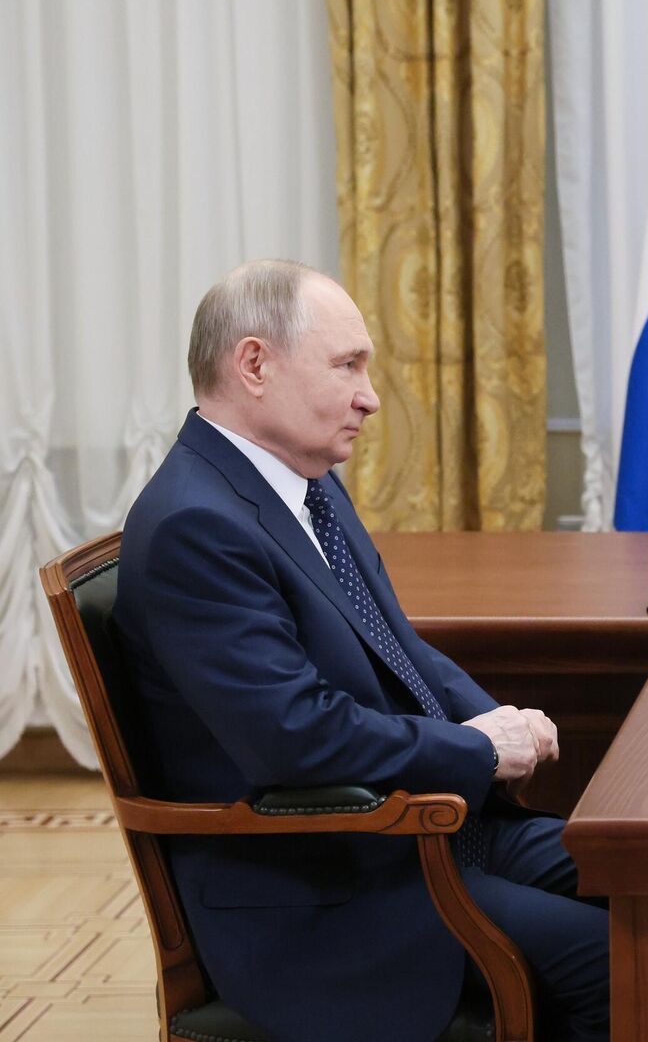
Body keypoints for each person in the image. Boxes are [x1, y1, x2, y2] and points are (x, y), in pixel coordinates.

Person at [115, 260, 609, 1042]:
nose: (370, 396)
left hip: (420, 834)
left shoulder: (304, 484)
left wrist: (496, 722)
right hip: (327, 889)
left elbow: (396, 649)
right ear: (254, 365)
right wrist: (476, 751)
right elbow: (297, 737)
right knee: (618, 958)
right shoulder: (194, 526)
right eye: (348, 365)